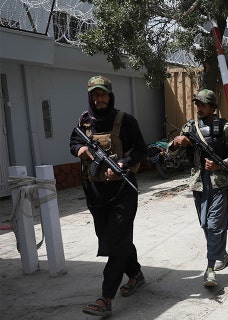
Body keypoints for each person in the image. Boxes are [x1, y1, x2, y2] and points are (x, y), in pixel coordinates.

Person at [70, 75, 147, 317]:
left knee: (114, 243)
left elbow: (141, 149)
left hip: (123, 192)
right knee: (110, 238)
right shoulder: (84, 121)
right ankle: (135, 274)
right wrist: (79, 149)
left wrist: (123, 163)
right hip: (95, 193)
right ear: (90, 96)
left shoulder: (125, 121)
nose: (99, 99)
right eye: (95, 94)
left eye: (103, 94)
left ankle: (106, 297)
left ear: (110, 96)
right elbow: (72, 141)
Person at [168, 89, 228, 287]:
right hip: (199, 183)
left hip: (220, 182)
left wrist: (221, 164)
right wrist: (176, 143)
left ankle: (210, 268)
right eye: (197, 104)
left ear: (213, 107)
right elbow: (172, 154)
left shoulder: (226, 128)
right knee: (205, 224)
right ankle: (222, 254)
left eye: (203, 104)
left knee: (214, 225)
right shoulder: (190, 128)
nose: (199, 108)